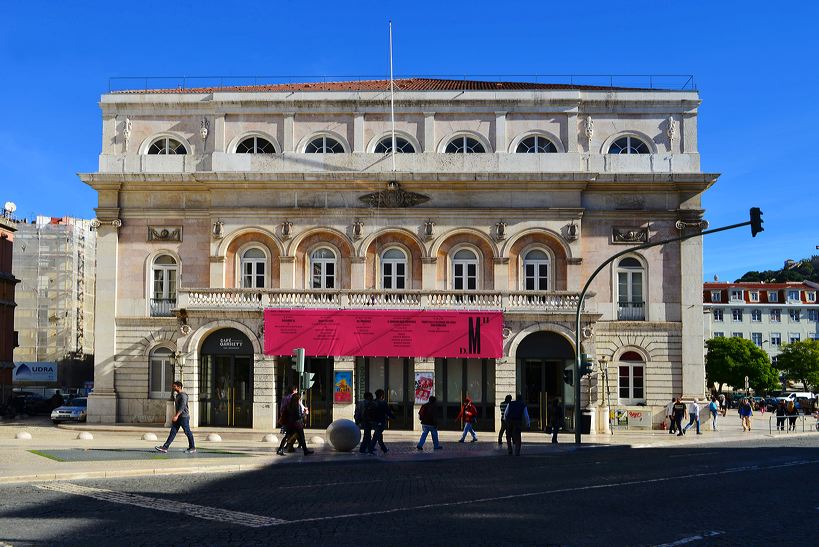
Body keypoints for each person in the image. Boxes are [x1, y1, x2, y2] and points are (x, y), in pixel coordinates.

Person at [155, 381, 196, 454]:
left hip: (184, 417)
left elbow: (182, 407)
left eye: (174, 386)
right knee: (173, 432)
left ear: (179, 387)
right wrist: (176, 416)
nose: (173, 388)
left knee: (187, 432)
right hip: (179, 417)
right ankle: (165, 447)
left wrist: (176, 416)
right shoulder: (178, 395)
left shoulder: (183, 396)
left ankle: (192, 447)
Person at [369, 389, 395, 454]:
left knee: (378, 435)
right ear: (381, 395)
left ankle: (384, 449)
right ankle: (371, 449)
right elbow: (388, 411)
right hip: (380, 421)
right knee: (377, 435)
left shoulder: (373, 402)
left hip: (373, 421)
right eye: (383, 394)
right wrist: (393, 417)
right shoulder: (383, 402)